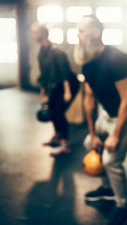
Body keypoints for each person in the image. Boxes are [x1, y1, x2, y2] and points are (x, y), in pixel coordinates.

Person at [74, 15, 127, 225]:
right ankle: (107, 189)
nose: (77, 36)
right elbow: (89, 98)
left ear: (96, 33)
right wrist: (93, 132)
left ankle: (124, 207)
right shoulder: (87, 62)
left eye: (81, 31)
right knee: (90, 143)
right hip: (109, 112)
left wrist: (115, 135)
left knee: (110, 159)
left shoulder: (117, 59)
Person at [31, 23, 79, 156]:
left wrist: (67, 92)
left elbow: (64, 73)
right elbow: (44, 76)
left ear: (43, 34)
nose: (33, 35)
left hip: (69, 84)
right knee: (52, 109)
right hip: (56, 85)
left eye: (35, 32)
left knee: (59, 111)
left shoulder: (56, 51)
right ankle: (57, 136)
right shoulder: (42, 52)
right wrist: (43, 94)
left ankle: (64, 143)